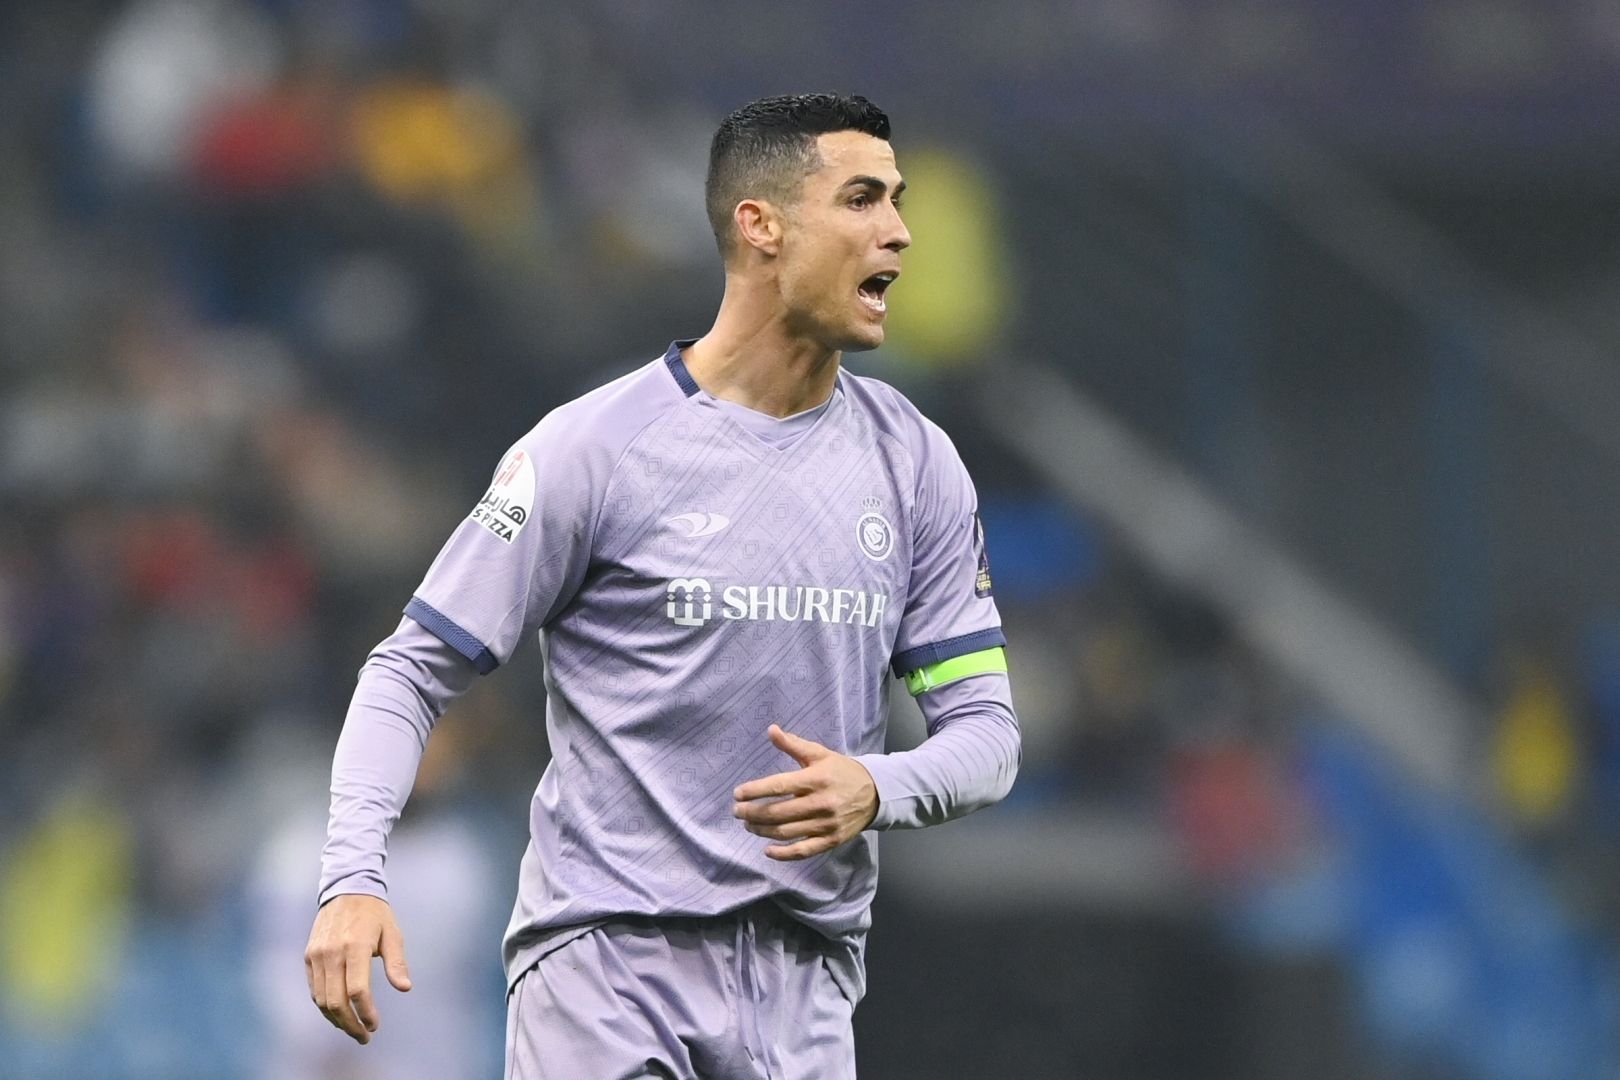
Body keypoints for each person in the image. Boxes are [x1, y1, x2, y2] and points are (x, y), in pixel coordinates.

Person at [305, 92, 1021, 1079]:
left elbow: (986, 734)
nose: (898, 232)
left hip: (808, 988)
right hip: (609, 971)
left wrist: (877, 786)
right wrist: (351, 876)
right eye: (862, 200)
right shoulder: (592, 448)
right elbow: (410, 670)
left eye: (897, 202)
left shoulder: (917, 463)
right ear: (761, 227)